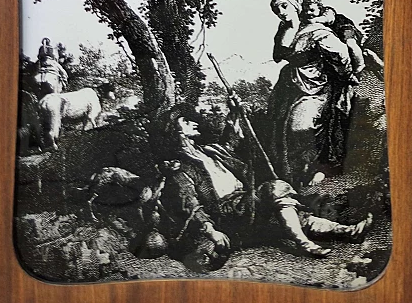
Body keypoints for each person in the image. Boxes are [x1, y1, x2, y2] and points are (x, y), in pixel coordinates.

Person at [153, 99, 371, 269]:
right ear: (174, 129)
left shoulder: (210, 150)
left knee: (291, 213)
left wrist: (234, 111)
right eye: (185, 120)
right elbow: (190, 205)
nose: (193, 122)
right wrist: (212, 232)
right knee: (275, 188)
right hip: (227, 211)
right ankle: (304, 243)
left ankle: (348, 231)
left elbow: (231, 140)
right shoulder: (179, 167)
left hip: (245, 200)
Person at [266, 0, 357, 186]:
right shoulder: (284, 29)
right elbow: (278, 55)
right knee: (280, 129)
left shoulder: (315, 29)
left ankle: (320, 168)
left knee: (301, 127)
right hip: (290, 85)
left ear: (295, 6)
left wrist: (345, 75)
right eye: (276, 9)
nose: (280, 12)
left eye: (284, 6)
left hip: (314, 86)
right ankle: (295, 175)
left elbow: (341, 53)